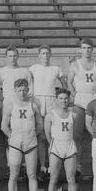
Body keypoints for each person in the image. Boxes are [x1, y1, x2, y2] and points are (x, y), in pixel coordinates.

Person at [1, 79, 43, 191]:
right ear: (15, 90)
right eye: (19, 90)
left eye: (24, 90)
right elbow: (4, 126)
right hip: (15, 144)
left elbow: (40, 125)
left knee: (32, 175)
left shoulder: (33, 105)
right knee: (14, 175)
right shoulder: (10, 106)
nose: (22, 92)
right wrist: (12, 137)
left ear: (28, 90)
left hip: (30, 142)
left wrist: (32, 135)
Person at [68, 38, 96, 178]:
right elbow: (69, 82)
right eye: (84, 48)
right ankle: (77, 166)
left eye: (89, 48)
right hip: (80, 103)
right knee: (77, 135)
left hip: (94, 102)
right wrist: (74, 94)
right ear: (80, 49)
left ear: (92, 49)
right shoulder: (74, 65)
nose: (86, 50)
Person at [29, 45, 66, 180]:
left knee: (50, 134)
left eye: (47, 53)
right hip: (37, 101)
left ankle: (52, 165)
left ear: (50, 55)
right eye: (42, 53)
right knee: (40, 136)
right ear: (39, 55)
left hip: (51, 102)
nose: (45, 55)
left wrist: (61, 99)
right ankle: (42, 166)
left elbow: (64, 85)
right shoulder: (33, 68)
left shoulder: (56, 69)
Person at [0, 46, 34, 176]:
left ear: (18, 56)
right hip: (8, 106)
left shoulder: (24, 71)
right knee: (8, 134)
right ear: (6, 57)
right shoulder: (1, 72)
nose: (12, 58)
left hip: (23, 106)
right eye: (10, 56)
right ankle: (10, 164)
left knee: (23, 133)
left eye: (15, 56)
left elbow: (31, 90)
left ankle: (23, 165)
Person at [44, 88, 78, 191]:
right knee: (53, 178)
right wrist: (53, 145)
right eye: (61, 98)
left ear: (69, 100)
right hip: (56, 148)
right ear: (57, 100)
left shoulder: (73, 115)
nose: (64, 101)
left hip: (69, 147)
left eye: (66, 98)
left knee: (71, 178)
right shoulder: (50, 115)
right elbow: (47, 133)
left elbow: (75, 134)